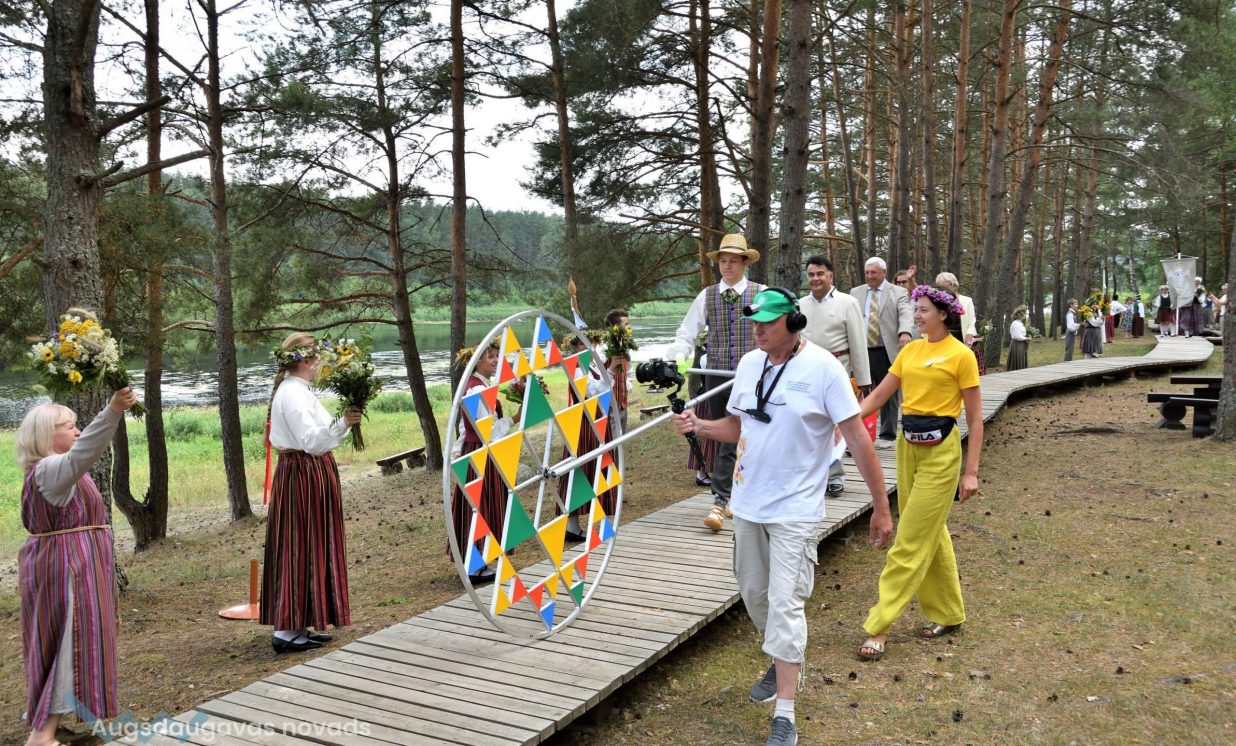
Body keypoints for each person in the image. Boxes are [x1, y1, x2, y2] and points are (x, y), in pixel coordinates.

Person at [672, 288, 892, 746]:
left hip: (796, 509)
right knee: (755, 595)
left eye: (767, 324)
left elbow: (856, 438)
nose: (757, 331)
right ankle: (781, 658)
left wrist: (881, 505)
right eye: (754, 323)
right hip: (747, 503)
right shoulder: (750, 363)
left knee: (786, 602)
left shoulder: (825, 369)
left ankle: (785, 716)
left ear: (793, 324)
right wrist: (700, 426)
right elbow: (739, 425)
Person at [854, 284, 983, 661]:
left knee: (909, 540)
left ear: (943, 314)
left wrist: (971, 472)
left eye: (924, 309)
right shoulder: (910, 351)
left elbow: (975, 418)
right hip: (907, 449)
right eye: (916, 310)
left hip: (942, 454)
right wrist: (845, 421)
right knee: (931, 531)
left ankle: (879, 626)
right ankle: (948, 613)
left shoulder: (961, 355)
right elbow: (880, 395)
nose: (917, 315)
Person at [16, 387, 139, 745]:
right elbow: (87, 450)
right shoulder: (50, 469)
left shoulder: (55, 469)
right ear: (46, 435)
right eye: (70, 426)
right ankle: (42, 735)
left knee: (77, 638)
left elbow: (80, 454)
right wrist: (112, 410)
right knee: (68, 641)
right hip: (67, 568)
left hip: (73, 562)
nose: (78, 432)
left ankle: (78, 720)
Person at [262, 333, 361, 653]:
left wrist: (343, 422)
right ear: (306, 360)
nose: (320, 363)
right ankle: (286, 630)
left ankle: (297, 624)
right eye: (317, 357)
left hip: (309, 472)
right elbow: (311, 441)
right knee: (299, 544)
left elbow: (322, 433)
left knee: (309, 544)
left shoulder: (300, 390)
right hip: (302, 474)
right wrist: (343, 423)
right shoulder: (292, 393)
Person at [667, 233, 767, 532]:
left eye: (733, 261)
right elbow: (687, 332)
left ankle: (724, 499)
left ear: (744, 263)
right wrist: (677, 355)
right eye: (723, 261)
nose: (727, 266)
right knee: (726, 434)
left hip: (753, 375)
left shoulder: (761, 294)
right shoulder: (707, 295)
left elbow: (775, 330)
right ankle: (729, 497)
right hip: (716, 374)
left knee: (749, 433)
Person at [800, 254, 871, 495]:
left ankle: (834, 475)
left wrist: (863, 381)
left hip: (838, 370)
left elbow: (858, 344)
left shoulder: (848, 303)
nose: (815, 278)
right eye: (811, 274)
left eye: (820, 274)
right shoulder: (800, 305)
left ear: (831, 276)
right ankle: (810, 475)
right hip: (806, 372)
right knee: (809, 424)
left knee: (838, 425)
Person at [449, 339, 515, 585]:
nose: (496, 360)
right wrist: (514, 419)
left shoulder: (481, 386)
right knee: (480, 506)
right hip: (480, 454)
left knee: (483, 505)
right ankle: (475, 566)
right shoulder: (476, 390)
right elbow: (486, 430)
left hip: (479, 451)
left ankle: (480, 561)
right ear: (477, 361)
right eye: (491, 356)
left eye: (498, 356)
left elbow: (465, 427)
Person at [556, 331, 613, 542]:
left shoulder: (594, 366)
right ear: (574, 347)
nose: (588, 348)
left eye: (591, 344)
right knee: (578, 471)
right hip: (583, 426)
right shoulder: (576, 369)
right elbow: (593, 391)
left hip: (597, 423)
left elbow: (607, 390)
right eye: (581, 345)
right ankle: (571, 525)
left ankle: (596, 520)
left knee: (597, 470)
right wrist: (611, 370)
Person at [851, 257, 913, 447]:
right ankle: (859, 433)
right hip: (861, 349)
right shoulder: (856, 292)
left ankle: (887, 435)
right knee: (859, 391)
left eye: (874, 273)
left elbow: (906, 313)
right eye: (867, 273)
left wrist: (905, 332)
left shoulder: (898, 292)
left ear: (883, 273)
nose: (869, 276)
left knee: (888, 392)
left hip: (886, 349)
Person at [602, 308, 634, 435]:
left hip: (622, 404)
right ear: (616, 327)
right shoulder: (603, 349)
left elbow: (629, 372)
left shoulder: (625, 347)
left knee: (622, 440)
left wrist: (627, 385)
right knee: (612, 442)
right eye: (626, 324)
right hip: (607, 407)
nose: (630, 327)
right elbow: (597, 376)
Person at [1007, 305, 1029, 371]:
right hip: (1017, 345)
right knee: (1017, 362)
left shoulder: (1019, 323)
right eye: (1024, 313)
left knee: (1020, 360)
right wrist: (1026, 338)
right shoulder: (1016, 324)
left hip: (1020, 344)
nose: (1025, 315)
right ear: (1020, 315)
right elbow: (1017, 336)